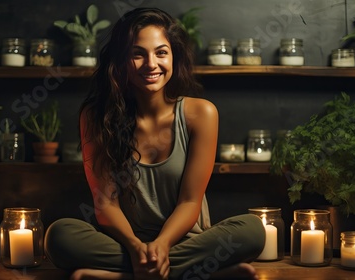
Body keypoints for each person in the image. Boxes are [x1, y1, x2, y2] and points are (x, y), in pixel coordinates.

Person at [44, 7, 265, 280]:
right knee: (60, 236)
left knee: (252, 230)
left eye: (161, 52)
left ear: (174, 57)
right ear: (121, 61)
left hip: (187, 240)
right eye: (138, 54)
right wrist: (137, 248)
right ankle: (199, 273)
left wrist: (161, 245)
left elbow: (190, 201)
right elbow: (105, 205)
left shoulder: (201, 114)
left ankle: (122, 275)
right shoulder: (96, 116)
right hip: (124, 243)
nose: (151, 64)